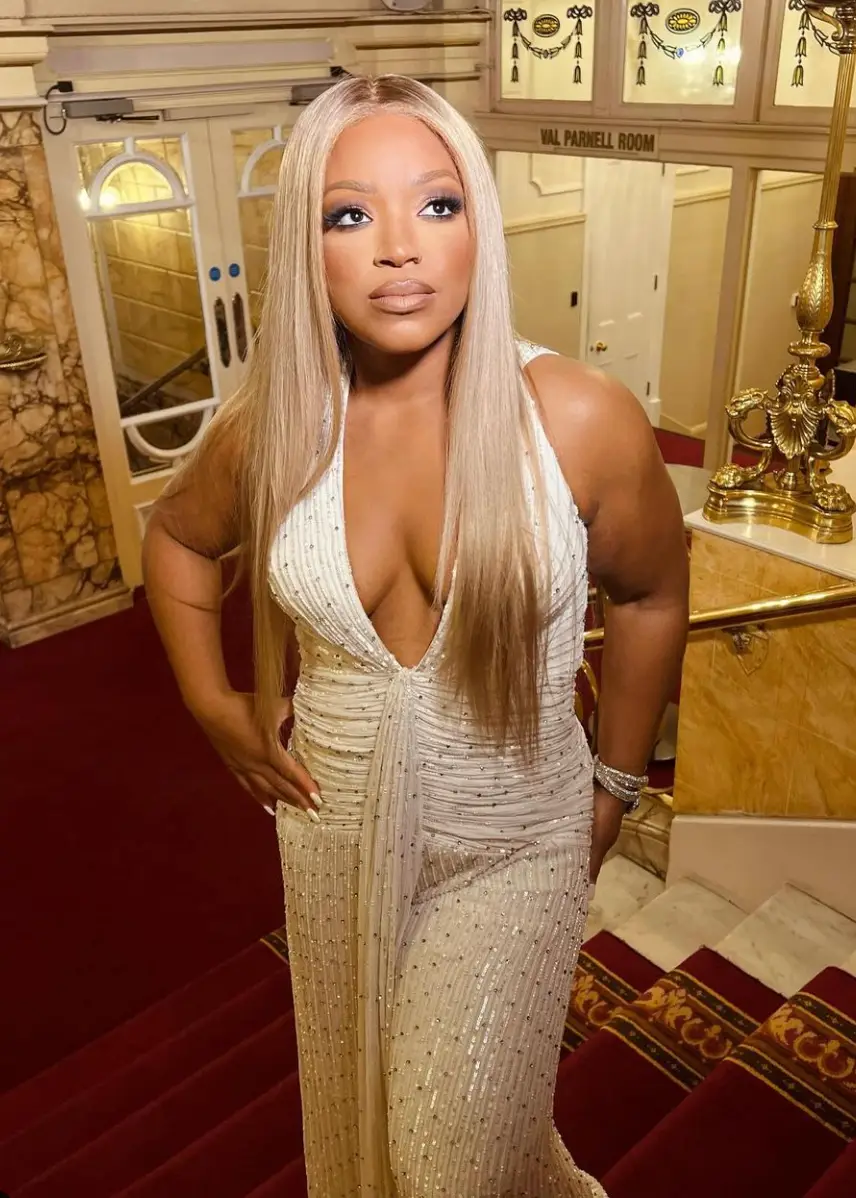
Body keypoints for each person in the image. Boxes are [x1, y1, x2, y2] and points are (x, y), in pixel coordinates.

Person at [143, 74, 688, 1197]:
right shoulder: (273, 426)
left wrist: (617, 786)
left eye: (437, 204)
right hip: (331, 830)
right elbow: (179, 541)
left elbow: (647, 598)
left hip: (515, 841)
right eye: (349, 214)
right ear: (307, 247)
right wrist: (209, 701)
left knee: (445, 1160)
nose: (399, 247)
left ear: (481, 223)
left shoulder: (578, 418)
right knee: (368, 1117)